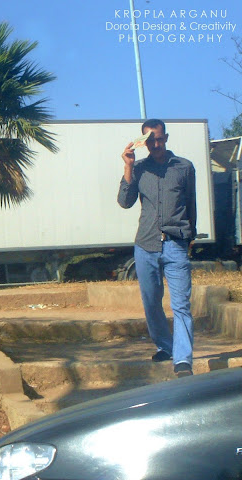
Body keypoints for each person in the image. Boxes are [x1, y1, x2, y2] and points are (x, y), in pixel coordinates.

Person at [117, 119, 197, 378]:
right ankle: (166, 345)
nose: (156, 144)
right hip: (145, 245)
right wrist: (128, 167)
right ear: (143, 142)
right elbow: (124, 202)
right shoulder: (139, 168)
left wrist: (189, 237)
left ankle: (183, 360)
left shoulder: (184, 167)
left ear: (166, 137)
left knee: (181, 304)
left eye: (159, 138)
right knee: (151, 302)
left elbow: (190, 204)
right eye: (150, 140)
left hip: (175, 243)